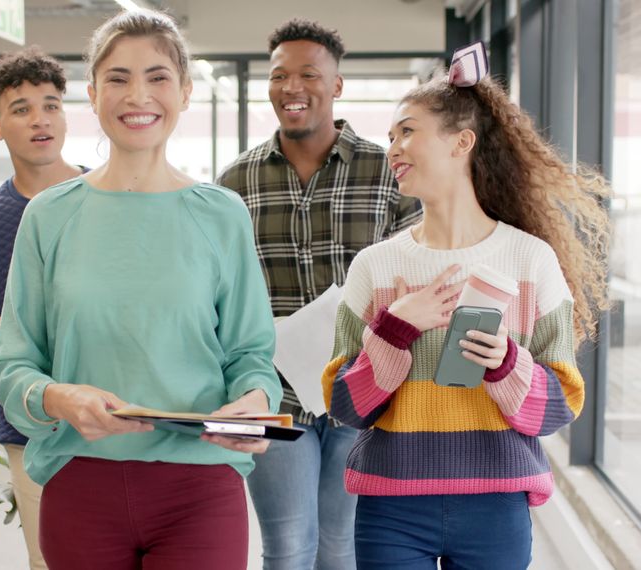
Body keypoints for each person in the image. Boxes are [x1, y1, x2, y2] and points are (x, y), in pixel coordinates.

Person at [0, 9, 282, 570]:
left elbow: (251, 355)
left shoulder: (221, 215)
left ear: (186, 92)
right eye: (118, 79)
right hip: (81, 483)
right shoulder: (50, 215)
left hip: (200, 485)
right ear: (93, 95)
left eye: (157, 77)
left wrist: (255, 403)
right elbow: (13, 364)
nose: (137, 95)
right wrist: (59, 398)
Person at [323, 43, 610, 569]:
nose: (393, 148)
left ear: (462, 142)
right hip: (391, 508)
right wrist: (393, 334)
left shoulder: (531, 260)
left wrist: (505, 362)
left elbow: (560, 405)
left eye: (407, 131)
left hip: (496, 504)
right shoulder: (375, 266)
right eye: (390, 136)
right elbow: (345, 407)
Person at [216, 19, 420, 570]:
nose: (291, 87)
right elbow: (217, 288)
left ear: (337, 85)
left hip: (364, 387)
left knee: (341, 545)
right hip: (273, 393)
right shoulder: (236, 182)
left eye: (308, 74)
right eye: (279, 75)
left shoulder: (389, 172)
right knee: (287, 546)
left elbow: (423, 270)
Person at [0, 45, 85, 570]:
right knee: (50, 559)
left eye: (50, 104)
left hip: (119, 412)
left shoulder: (112, 197)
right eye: (21, 108)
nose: (40, 119)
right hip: (29, 427)